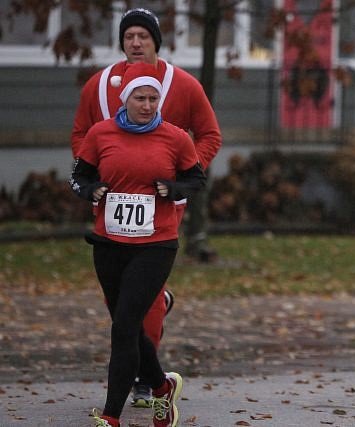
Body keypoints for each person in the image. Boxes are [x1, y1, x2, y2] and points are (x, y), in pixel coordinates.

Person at [70, 7, 222, 406]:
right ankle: (148, 367)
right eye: (129, 36)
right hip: (112, 200)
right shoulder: (98, 85)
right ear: (121, 41)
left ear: (156, 41)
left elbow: (209, 134)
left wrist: (184, 175)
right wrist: (92, 178)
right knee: (118, 302)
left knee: (142, 300)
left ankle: (141, 379)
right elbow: (81, 136)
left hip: (163, 203)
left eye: (144, 36)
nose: (136, 43)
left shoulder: (183, 85)